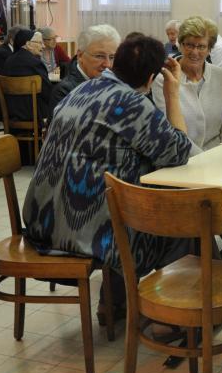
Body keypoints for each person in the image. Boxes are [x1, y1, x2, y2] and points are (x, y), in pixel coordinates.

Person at [23, 36, 196, 322]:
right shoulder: (130, 103)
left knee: (118, 195)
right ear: (151, 77)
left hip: (42, 220)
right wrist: (172, 95)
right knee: (183, 221)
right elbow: (178, 152)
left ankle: (115, 303)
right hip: (81, 231)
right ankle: (171, 317)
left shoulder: (82, 88)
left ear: (116, 62)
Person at [149, 17, 222, 258]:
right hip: (182, 163)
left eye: (201, 46)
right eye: (189, 45)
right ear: (179, 45)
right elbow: (172, 132)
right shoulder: (165, 79)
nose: (195, 51)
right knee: (204, 202)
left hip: (220, 159)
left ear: (210, 48)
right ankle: (204, 254)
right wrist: (206, 162)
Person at [50, 24, 121, 113]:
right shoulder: (64, 92)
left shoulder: (115, 83)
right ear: (80, 55)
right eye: (99, 56)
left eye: (112, 57)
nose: (108, 64)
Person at [0, 29, 55, 125]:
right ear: (28, 44)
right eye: (40, 43)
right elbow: (47, 92)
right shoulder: (35, 63)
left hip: (12, 113)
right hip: (34, 114)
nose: (43, 46)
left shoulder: (8, 61)